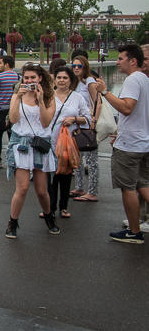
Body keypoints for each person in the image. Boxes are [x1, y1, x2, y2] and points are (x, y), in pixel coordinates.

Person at [96, 45, 149, 244]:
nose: (117, 62)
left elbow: (127, 108)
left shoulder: (133, 80)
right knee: (143, 183)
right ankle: (136, 227)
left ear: (132, 61)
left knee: (128, 188)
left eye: (120, 58)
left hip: (130, 145)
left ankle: (134, 232)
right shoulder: (145, 79)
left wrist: (105, 92)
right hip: (143, 141)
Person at [4, 63, 58, 239]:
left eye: (32, 78)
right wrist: (17, 98)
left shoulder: (49, 97)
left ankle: (49, 216)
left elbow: (45, 122)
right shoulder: (16, 95)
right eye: (26, 78)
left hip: (40, 143)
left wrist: (40, 100)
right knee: (23, 187)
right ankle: (13, 222)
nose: (29, 81)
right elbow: (13, 119)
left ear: (40, 78)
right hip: (21, 144)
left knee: (42, 191)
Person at [47, 66, 90, 220]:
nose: (62, 80)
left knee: (65, 175)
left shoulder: (77, 97)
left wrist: (74, 119)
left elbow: (87, 118)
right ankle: (49, 208)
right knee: (51, 176)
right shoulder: (48, 96)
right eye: (59, 77)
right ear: (54, 79)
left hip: (68, 142)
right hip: (51, 140)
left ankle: (63, 207)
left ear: (70, 80)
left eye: (65, 78)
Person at [69, 55, 101, 201]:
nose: (76, 68)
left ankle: (92, 192)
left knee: (91, 160)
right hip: (77, 125)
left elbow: (97, 102)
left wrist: (93, 120)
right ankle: (80, 187)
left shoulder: (89, 81)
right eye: (74, 66)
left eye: (79, 66)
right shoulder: (74, 83)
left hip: (88, 125)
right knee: (77, 159)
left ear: (85, 67)